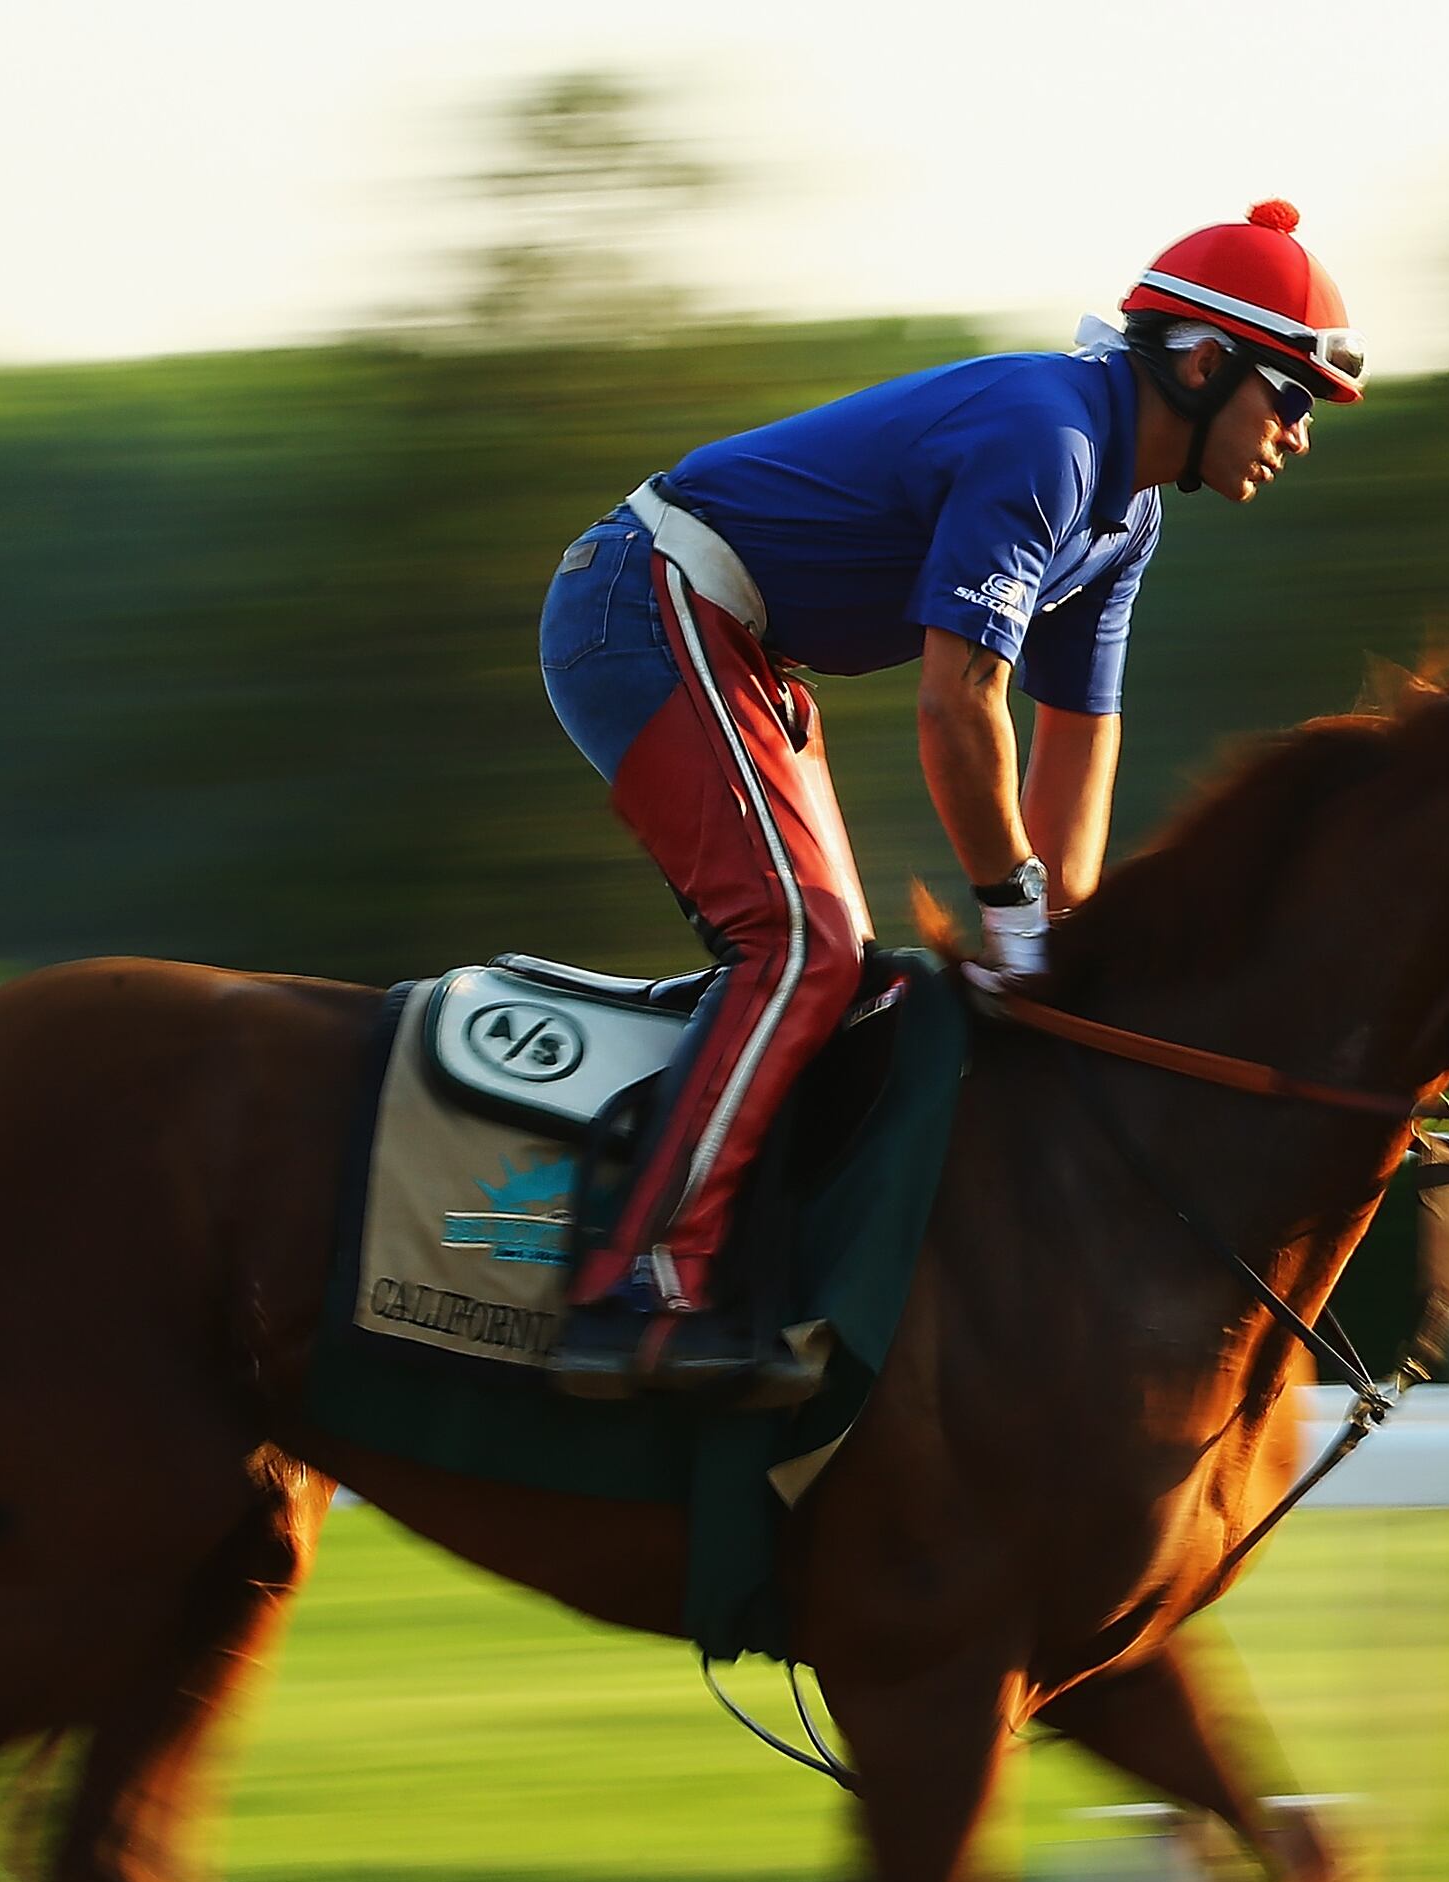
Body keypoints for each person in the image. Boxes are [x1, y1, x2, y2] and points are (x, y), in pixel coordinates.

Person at [537, 200, 1365, 1398]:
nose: (1294, 434)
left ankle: (736, 1227)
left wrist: (1065, 950)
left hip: (725, 637)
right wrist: (1014, 915)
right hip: (645, 599)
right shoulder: (1054, 440)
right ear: (1201, 364)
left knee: (843, 974)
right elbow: (960, 703)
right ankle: (635, 1287)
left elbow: (1076, 736)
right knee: (802, 949)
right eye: (1288, 398)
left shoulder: (1123, 516)